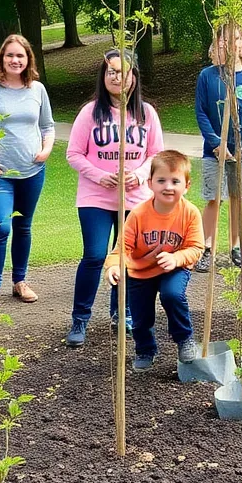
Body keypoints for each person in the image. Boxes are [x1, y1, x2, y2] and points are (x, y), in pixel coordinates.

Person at [65, 50, 164, 348]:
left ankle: (123, 313)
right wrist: (98, 175)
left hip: (135, 198)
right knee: (95, 255)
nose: (116, 77)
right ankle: (80, 318)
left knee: (129, 257)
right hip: (96, 196)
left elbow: (156, 153)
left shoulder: (146, 113)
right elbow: (73, 154)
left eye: (123, 71)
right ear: (103, 76)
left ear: (134, 76)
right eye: (110, 71)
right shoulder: (90, 112)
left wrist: (142, 173)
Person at [0, 34, 55, 316]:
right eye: (10, 55)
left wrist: (46, 149)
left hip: (33, 172)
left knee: (24, 227)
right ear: (2, 58)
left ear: (28, 59)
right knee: (1, 228)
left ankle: (19, 281)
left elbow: (48, 126)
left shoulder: (37, 90)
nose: (15, 60)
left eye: (20, 56)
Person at [105, 150, 204, 371]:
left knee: (172, 295)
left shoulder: (190, 213)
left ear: (187, 185)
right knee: (141, 314)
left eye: (175, 181)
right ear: (150, 183)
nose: (168, 186)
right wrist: (113, 266)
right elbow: (122, 248)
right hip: (140, 271)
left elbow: (197, 247)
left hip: (174, 267)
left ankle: (184, 338)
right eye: (161, 180)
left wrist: (177, 258)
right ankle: (145, 350)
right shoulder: (138, 214)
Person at [194, 25, 242, 273]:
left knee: (236, 199)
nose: (230, 43)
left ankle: (236, 247)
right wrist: (216, 143)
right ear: (217, 44)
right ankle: (205, 247)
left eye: (236, 39)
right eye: (224, 39)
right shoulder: (208, 76)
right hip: (214, 150)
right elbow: (201, 112)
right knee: (214, 198)